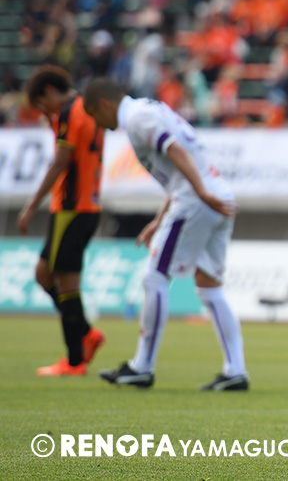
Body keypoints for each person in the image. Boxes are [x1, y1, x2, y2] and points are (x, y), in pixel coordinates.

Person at [82, 78, 249, 391]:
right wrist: (160, 219)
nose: (98, 124)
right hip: (216, 195)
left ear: (103, 105)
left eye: (94, 115)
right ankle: (236, 371)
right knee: (210, 287)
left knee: (154, 277)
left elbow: (174, 150)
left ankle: (142, 367)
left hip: (197, 201)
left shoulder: (136, 118)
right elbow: (179, 165)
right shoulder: (148, 110)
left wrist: (199, 192)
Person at [19, 66, 106, 377]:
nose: (45, 112)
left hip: (73, 208)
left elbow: (60, 162)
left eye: (42, 104)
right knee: (44, 273)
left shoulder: (70, 112)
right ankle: (86, 332)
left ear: (50, 92)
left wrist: (31, 205)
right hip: (84, 207)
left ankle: (74, 360)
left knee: (66, 283)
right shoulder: (88, 108)